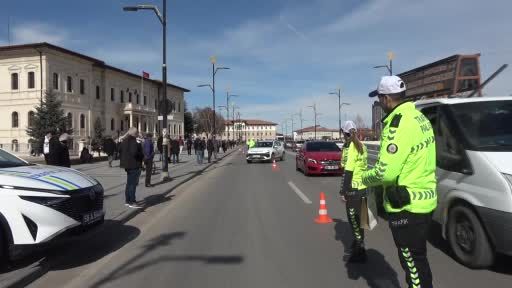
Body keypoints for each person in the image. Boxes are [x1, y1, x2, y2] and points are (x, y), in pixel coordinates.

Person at [362, 76, 437, 288]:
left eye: (379, 99)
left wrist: (364, 178)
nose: (379, 103)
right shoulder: (419, 117)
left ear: (386, 99)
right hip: (425, 201)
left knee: (412, 266)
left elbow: (385, 173)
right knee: (420, 260)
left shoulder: (396, 125)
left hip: (405, 205)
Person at [339, 121, 368, 263]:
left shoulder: (351, 147)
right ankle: (358, 244)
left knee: (354, 222)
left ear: (345, 134)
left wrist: (343, 191)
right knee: (360, 221)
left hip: (353, 189)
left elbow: (348, 170)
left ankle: (360, 251)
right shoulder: (363, 145)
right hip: (363, 188)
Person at [119, 127, 144, 209]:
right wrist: (140, 149)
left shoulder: (124, 141)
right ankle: (132, 201)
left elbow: (119, 150)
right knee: (132, 184)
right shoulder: (133, 141)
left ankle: (127, 200)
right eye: (137, 133)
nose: (138, 134)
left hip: (127, 165)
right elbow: (134, 153)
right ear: (135, 134)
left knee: (129, 183)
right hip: (134, 165)